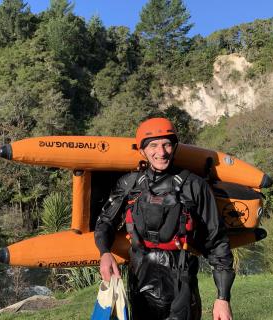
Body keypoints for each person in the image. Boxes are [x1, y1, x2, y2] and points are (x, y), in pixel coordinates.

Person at [94, 118, 235, 320]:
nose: (161, 152)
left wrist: (223, 298)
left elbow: (217, 242)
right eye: (153, 145)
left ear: (175, 146)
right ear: (142, 150)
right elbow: (105, 222)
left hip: (182, 285)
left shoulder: (194, 186)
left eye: (167, 144)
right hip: (140, 281)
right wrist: (105, 252)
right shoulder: (129, 184)